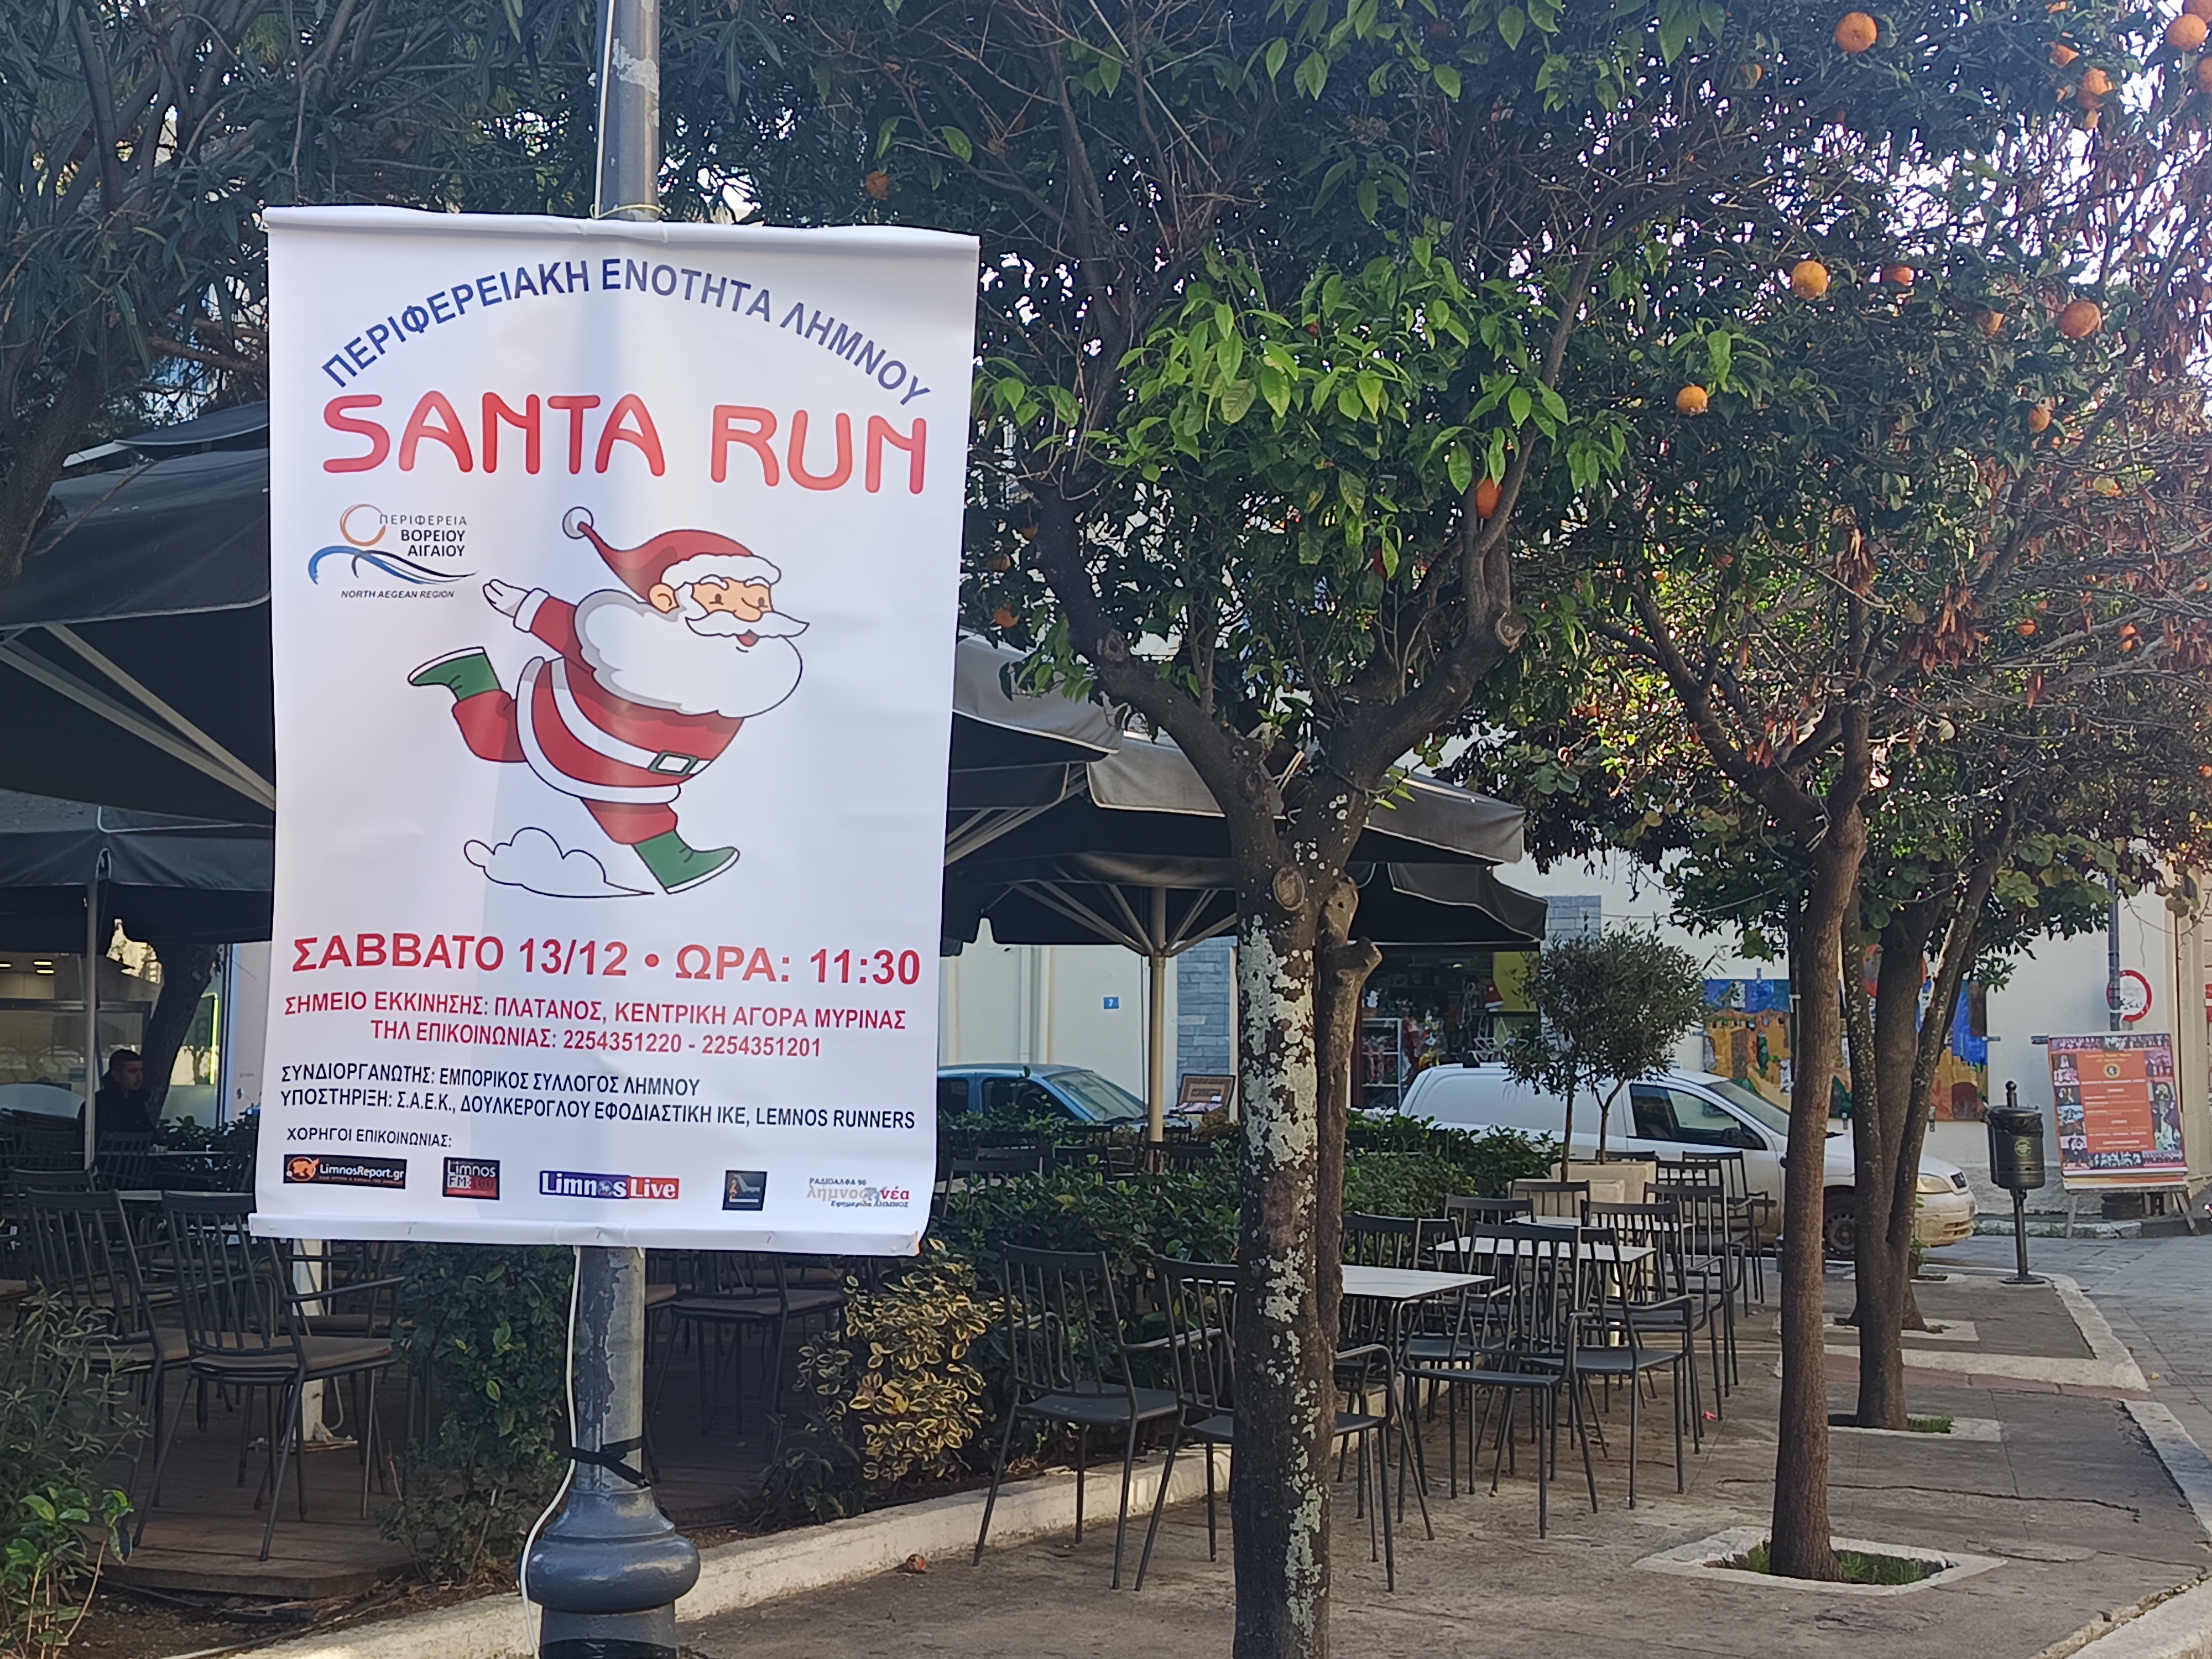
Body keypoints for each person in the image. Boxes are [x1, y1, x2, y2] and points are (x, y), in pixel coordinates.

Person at [80, 1048, 156, 1138]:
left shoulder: (138, 1103)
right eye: (133, 1072)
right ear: (116, 1075)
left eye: (141, 1071)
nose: (139, 1077)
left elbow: (152, 1136)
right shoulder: (97, 1105)